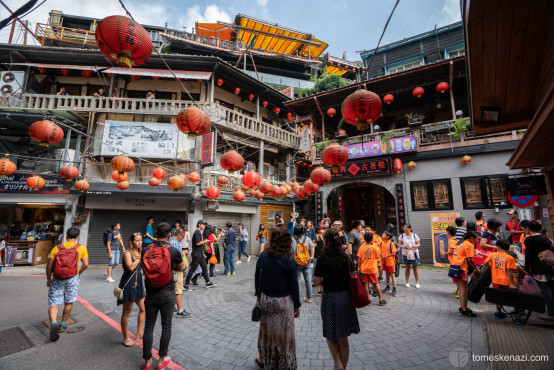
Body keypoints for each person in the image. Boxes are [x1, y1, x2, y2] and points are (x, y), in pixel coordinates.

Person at [314, 228, 360, 370]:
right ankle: (342, 367)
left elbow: (316, 282)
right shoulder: (345, 255)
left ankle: (337, 363)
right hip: (345, 297)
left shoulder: (323, 258)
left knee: (330, 332)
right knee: (343, 336)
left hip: (329, 298)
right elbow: (353, 272)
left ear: (326, 241)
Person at [255, 226, 300, 369]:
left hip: (266, 300)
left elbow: (257, 277)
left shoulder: (263, 255)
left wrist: (258, 295)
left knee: (268, 332)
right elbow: (294, 285)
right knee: (284, 335)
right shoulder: (289, 259)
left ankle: (266, 359)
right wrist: (297, 305)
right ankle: (285, 363)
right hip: (283, 302)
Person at [141, 222, 184, 370]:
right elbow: (180, 268)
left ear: (156, 234)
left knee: (149, 326)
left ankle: (147, 362)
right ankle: (161, 361)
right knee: (166, 325)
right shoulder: (173, 250)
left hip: (151, 292)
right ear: (169, 235)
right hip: (167, 292)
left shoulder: (146, 249)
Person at [46, 227, 88, 342]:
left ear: (66, 235)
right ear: (77, 236)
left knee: (54, 303)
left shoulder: (57, 248)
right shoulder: (81, 248)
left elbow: (49, 266)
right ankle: (63, 324)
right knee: (69, 301)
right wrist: (78, 273)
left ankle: (53, 323)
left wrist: (49, 278)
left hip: (57, 278)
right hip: (72, 278)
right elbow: (86, 264)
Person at [118, 233, 146, 346]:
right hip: (129, 283)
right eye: (137, 240)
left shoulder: (140, 252)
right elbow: (130, 267)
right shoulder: (127, 253)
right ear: (132, 242)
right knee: (127, 312)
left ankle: (139, 332)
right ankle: (126, 337)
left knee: (143, 308)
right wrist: (139, 258)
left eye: (140, 240)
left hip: (138, 283)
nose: (139, 242)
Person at [523, 220, 554, 321]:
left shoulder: (530, 240)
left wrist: (526, 268)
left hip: (539, 268)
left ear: (528, 228)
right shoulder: (545, 238)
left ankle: (551, 314)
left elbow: (529, 256)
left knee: (546, 291)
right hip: (549, 266)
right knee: (550, 289)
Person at [483, 240, 519, 322]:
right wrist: (512, 283)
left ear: (498, 247)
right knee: (515, 298)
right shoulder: (509, 257)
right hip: (506, 281)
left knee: (498, 297)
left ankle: (498, 313)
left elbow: (484, 263)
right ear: (508, 248)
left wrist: (492, 266)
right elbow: (509, 271)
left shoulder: (492, 255)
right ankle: (517, 316)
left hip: (496, 280)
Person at [448, 231, 480, 317]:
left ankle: (462, 307)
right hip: (461, 268)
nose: (477, 240)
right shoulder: (469, 245)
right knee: (464, 289)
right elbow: (470, 260)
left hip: (454, 266)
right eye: (477, 239)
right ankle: (464, 309)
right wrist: (476, 269)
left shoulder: (460, 243)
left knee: (460, 288)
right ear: (471, 238)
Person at [184, 220, 216, 291]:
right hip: (196, 254)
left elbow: (199, 245)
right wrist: (206, 241)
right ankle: (186, 285)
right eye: (203, 224)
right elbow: (198, 243)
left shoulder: (199, 232)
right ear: (199, 225)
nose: (204, 226)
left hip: (200, 253)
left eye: (205, 224)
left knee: (204, 268)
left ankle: (208, 282)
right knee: (192, 269)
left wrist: (202, 253)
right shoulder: (197, 232)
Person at [357, 232, 386, 305]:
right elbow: (377, 257)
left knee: (366, 284)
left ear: (364, 239)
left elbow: (359, 259)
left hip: (364, 268)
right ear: (371, 239)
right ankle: (381, 299)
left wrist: (358, 267)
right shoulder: (374, 247)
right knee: (375, 284)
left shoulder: (361, 247)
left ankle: (368, 300)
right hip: (372, 269)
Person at [168, 229, 191, 318]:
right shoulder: (175, 243)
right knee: (178, 289)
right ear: (179, 235)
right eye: (182, 236)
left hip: (172, 269)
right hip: (177, 269)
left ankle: (172, 307)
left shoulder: (169, 241)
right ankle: (180, 310)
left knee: (172, 289)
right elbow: (176, 256)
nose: (182, 238)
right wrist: (183, 253)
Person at [292, 225, 315, 303]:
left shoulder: (292, 239)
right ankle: (309, 297)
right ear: (302, 231)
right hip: (306, 261)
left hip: (297, 262)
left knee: (297, 279)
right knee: (308, 279)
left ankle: (297, 297)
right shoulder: (307, 238)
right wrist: (311, 257)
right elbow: (313, 246)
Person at [398, 224, 421, 288]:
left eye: (406, 228)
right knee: (407, 267)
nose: (404, 229)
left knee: (415, 267)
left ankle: (417, 282)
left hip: (414, 252)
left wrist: (413, 246)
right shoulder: (402, 236)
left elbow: (418, 244)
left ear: (409, 228)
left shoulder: (414, 235)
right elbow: (399, 244)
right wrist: (404, 247)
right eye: (404, 228)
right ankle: (407, 282)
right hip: (405, 253)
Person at [441, 226, 459, 296]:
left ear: (448, 232)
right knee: (454, 276)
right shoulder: (453, 240)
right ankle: (458, 290)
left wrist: (445, 253)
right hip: (453, 261)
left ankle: (459, 291)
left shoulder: (452, 241)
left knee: (455, 276)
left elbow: (452, 251)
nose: (445, 233)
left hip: (454, 261)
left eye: (445, 231)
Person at [380, 231, 398, 297]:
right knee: (387, 274)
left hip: (390, 262)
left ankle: (394, 289)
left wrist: (385, 256)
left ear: (387, 237)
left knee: (392, 275)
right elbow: (380, 251)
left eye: (383, 234)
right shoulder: (381, 243)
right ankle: (387, 287)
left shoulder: (391, 244)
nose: (382, 234)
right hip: (384, 262)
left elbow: (394, 253)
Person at [313, 226, 324, 296]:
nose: (322, 230)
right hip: (317, 254)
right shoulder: (316, 236)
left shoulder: (323, 237)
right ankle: (315, 281)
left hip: (322, 254)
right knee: (315, 267)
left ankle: (320, 288)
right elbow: (313, 244)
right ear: (318, 231)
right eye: (321, 229)